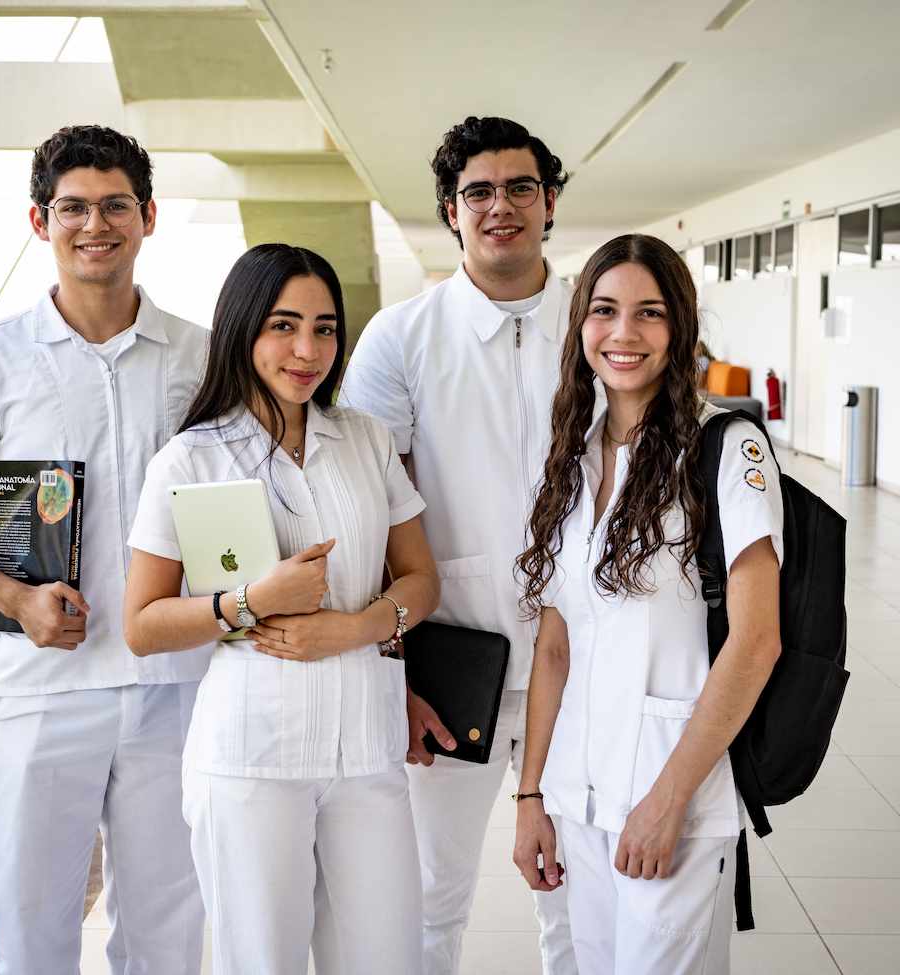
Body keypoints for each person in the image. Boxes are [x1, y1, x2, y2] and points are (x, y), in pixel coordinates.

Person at [0, 125, 210, 975]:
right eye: (73, 207)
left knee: (169, 928)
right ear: (40, 221)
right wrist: (16, 597)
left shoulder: (201, 356)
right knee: (31, 928)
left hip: (173, 689)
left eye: (115, 205)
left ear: (149, 216)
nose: (94, 225)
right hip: (38, 692)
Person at [122, 243, 440, 975]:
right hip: (251, 755)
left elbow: (421, 577)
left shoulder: (364, 439)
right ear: (242, 329)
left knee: (386, 960)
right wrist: (250, 601)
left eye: (325, 328)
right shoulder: (191, 459)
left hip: (367, 746)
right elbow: (142, 624)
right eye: (284, 325)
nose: (307, 350)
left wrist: (356, 627)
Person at [339, 116, 576, 974]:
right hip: (446, 669)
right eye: (478, 191)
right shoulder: (401, 339)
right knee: (429, 903)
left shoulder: (597, 320)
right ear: (450, 210)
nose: (500, 206)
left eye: (520, 187)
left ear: (550, 201)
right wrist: (391, 669)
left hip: (583, 663)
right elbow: (367, 518)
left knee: (575, 896)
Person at [512, 234, 783, 973]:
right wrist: (531, 793)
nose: (624, 332)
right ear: (581, 327)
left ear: (680, 327)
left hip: (674, 792)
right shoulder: (572, 453)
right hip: (576, 792)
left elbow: (757, 641)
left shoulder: (728, 448)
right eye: (604, 311)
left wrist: (668, 802)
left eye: (649, 312)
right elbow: (555, 644)